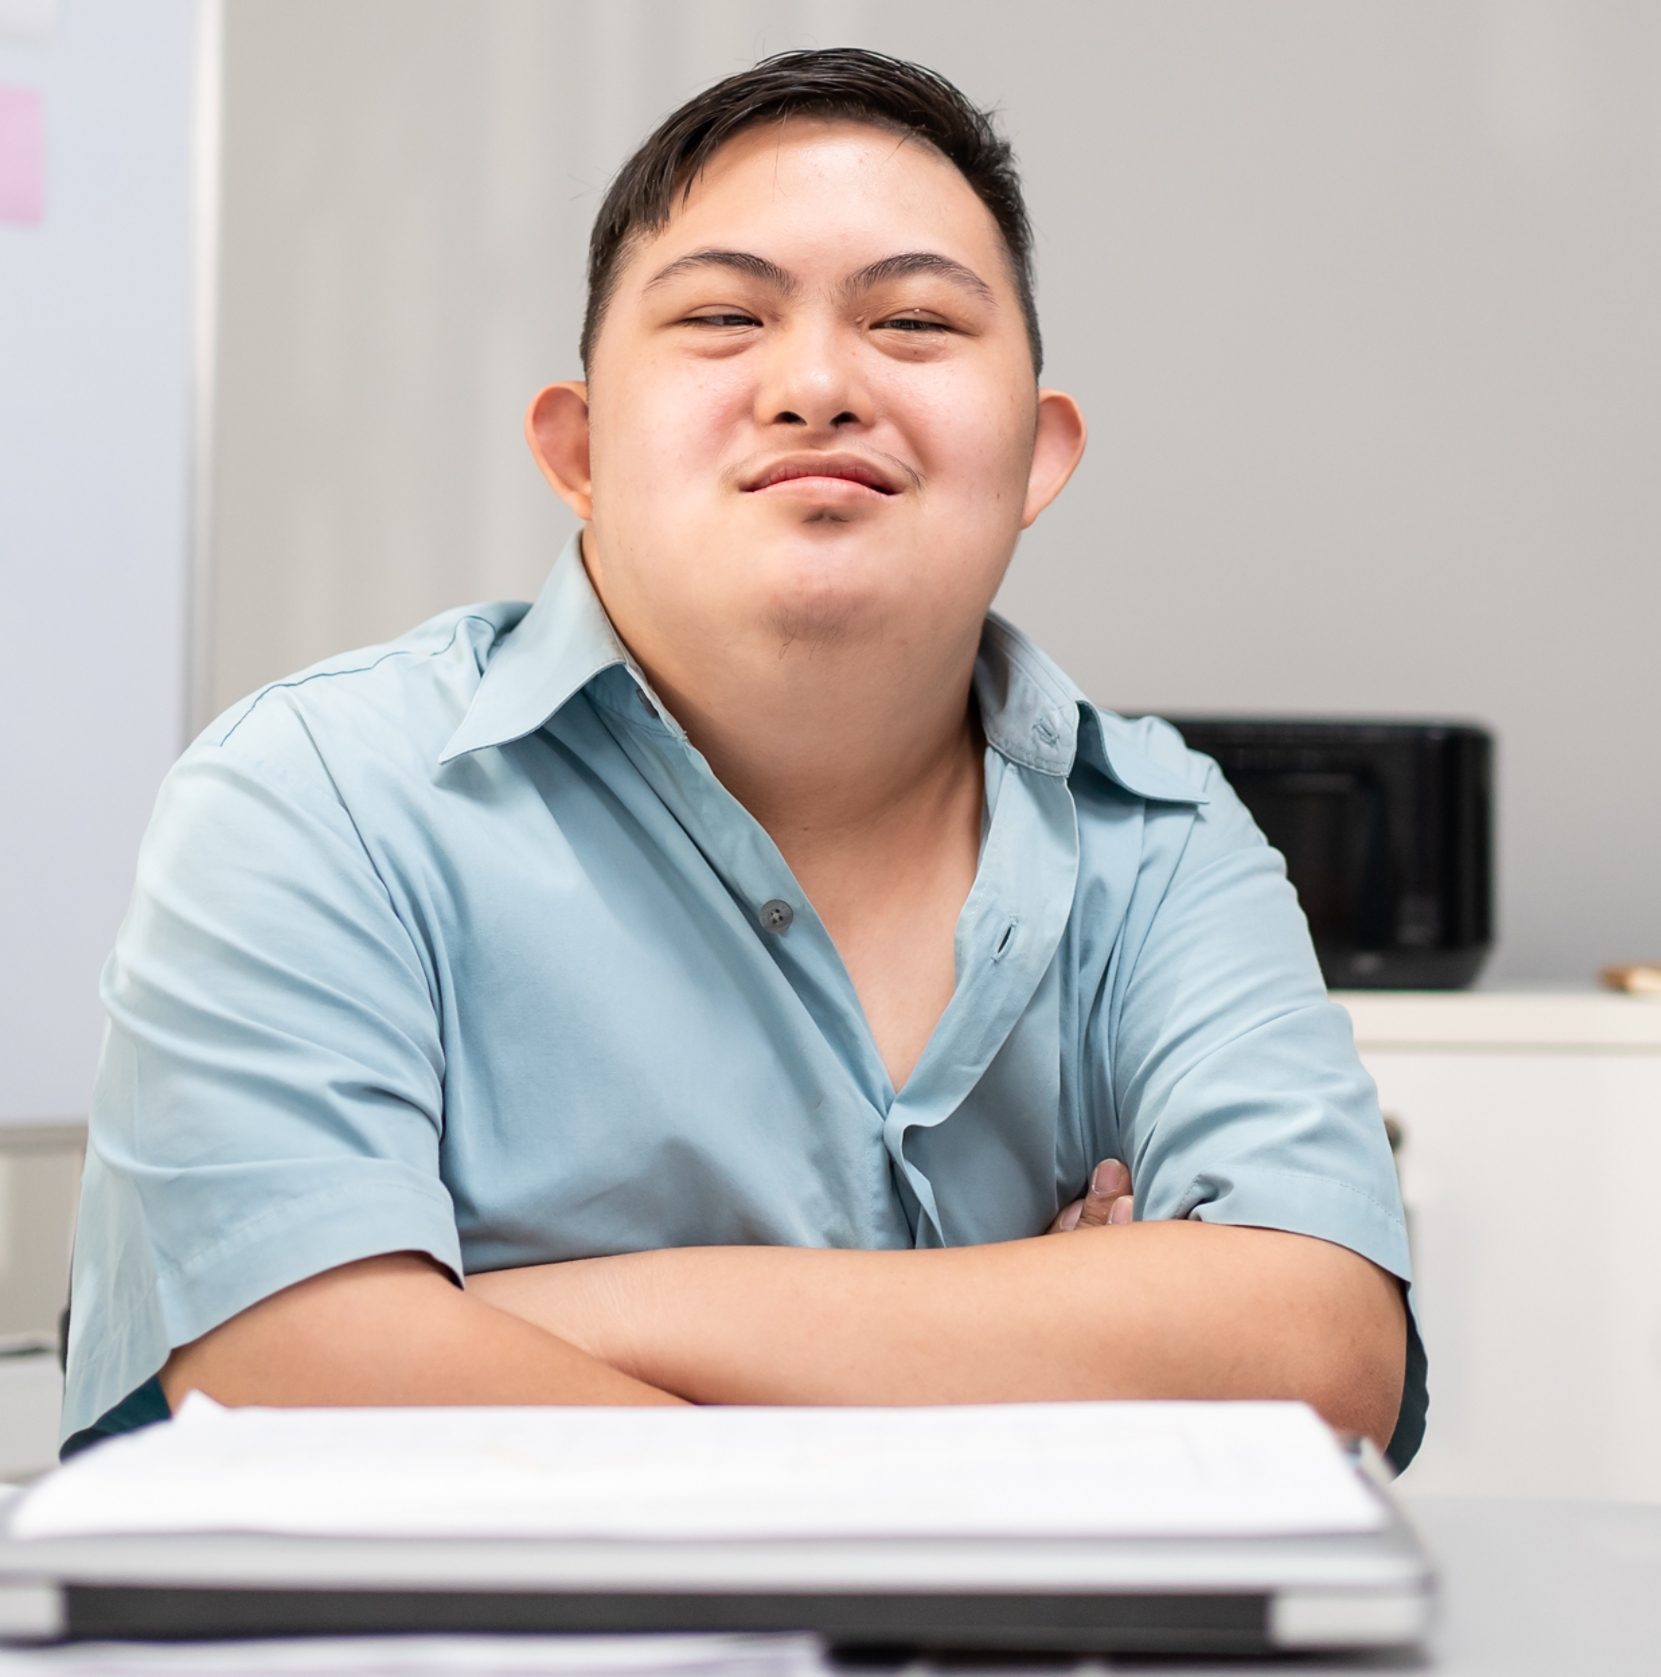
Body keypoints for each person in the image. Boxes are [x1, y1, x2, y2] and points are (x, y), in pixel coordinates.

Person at [62, 48, 1426, 1467]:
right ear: (577, 449)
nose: (819, 383)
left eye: (911, 320)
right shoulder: (313, 799)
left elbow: (1317, 1347)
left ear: (1037, 453)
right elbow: (301, 1371)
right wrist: (1044, 1345)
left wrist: (499, 1315)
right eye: (723, 314)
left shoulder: (1165, 841)